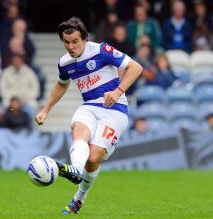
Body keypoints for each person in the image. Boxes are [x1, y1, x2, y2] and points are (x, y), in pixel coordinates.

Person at [34, 17, 142, 214]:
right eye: (66, 42)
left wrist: (118, 91)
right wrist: (45, 110)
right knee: (79, 129)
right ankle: (75, 168)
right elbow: (61, 85)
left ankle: (79, 197)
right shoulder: (65, 63)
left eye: (75, 41)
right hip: (89, 106)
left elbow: (136, 67)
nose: (71, 46)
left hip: (115, 109)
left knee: (93, 158)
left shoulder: (101, 50)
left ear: (84, 38)